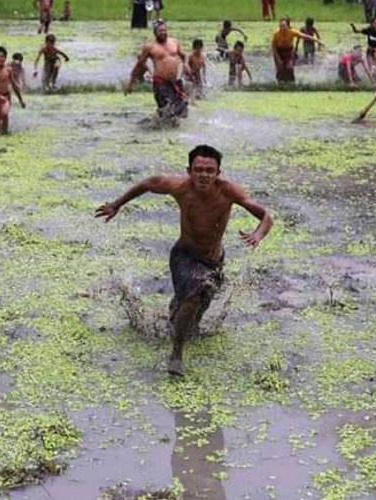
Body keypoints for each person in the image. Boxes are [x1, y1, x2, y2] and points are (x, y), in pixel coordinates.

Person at [95, 145, 273, 376]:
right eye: (198, 169)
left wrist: (257, 234)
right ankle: (177, 354)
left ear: (218, 172)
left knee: (195, 315)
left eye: (210, 170)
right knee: (193, 297)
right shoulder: (179, 186)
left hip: (214, 261)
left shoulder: (229, 191)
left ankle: (177, 315)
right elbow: (148, 183)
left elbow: (267, 215)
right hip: (185, 256)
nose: (204, 175)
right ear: (189, 171)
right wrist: (116, 205)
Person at [125, 20, 190, 121]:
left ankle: (157, 120)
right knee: (171, 108)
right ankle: (157, 122)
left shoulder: (174, 42)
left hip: (174, 82)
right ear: (155, 32)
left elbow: (184, 56)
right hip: (161, 83)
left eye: (164, 30)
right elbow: (139, 64)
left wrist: (185, 64)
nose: (163, 32)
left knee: (182, 112)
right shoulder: (150, 47)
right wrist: (131, 82)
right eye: (160, 31)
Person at [0, 46, 26, 137]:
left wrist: (21, 100)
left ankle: (4, 133)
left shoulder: (8, 70)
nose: (0, 59)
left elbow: (14, 85)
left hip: (6, 97)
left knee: (4, 113)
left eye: (3, 57)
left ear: (5, 58)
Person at [271, 17, 323, 83]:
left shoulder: (292, 32)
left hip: (289, 51)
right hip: (279, 51)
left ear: (287, 26)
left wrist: (318, 41)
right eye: (281, 26)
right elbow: (273, 47)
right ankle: (279, 83)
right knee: (280, 68)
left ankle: (291, 83)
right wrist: (278, 59)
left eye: (284, 26)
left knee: (289, 67)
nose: (282, 28)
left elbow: (305, 36)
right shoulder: (276, 34)